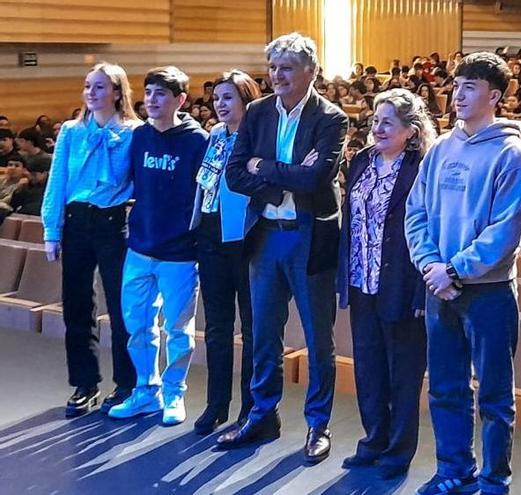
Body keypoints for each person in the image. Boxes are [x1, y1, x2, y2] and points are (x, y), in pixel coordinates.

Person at [405, 52, 521, 495]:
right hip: (438, 288)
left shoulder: (512, 154)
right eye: (456, 85)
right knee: (445, 388)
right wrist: (429, 265)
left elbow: (505, 232)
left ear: (494, 95)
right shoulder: (441, 147)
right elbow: (415, 210)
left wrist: (454, 270)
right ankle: (453, 470)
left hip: (489, 293)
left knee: (495, 397)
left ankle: (495, 480)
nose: (457, 94)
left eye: (470, 87)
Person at [219, 33, 347, 460]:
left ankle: (318, 424)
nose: (277, 76)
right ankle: (262, 414)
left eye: (287, 68)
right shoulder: (256, 112)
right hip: (266, 236)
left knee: (318, 339)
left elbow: (315, 180)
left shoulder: (331, 118)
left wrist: (266, 167)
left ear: (310, 71)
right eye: (273, 68)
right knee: (263, 337)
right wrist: (280, 181)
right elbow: (236, 174)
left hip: (309, 239)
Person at [337, 89, 435, 480]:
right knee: (369, 367)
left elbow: (426, 228)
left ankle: (398, 450)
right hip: (363, 280)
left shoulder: (421, 166)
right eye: (375, 121)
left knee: (403, 374)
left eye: (387, 122)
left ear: (410, 131)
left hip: (402, 283)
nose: (377, 128)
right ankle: (373, 439)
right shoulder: (362, 159)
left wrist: (421, 290)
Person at [108, 66, 209, 426]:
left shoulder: (197, 141)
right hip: (139, 247)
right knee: (136, 325)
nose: (151, 99)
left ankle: (174, 393)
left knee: (178, 330)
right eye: (148, 92)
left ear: (180, 100)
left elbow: (203, 196)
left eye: (160, 94)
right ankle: (145, 391)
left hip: (179, 253)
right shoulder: (139, 137)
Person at [40, 63, 140, 417]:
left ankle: (127, 383)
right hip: (76, 219)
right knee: (77, 305)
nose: (91, 93)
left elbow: (133, 183)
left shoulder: (133, 132)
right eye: (87, 86)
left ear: (117, 91)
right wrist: (51, 230)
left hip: (113, 221)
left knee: (121, 304)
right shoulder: (71, 130)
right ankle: (85, 383)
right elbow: (57, 182)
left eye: (99, 87)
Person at [190, 70, 261, 434]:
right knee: (217, 326)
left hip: (245, 240)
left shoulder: (258, 138)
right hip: (209, 234)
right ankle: (216, 404)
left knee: (251, 328)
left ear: (246, 100)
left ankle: (251, 408)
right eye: (217, 97)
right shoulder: (215, 134)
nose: (220, 104)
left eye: (228, 97)